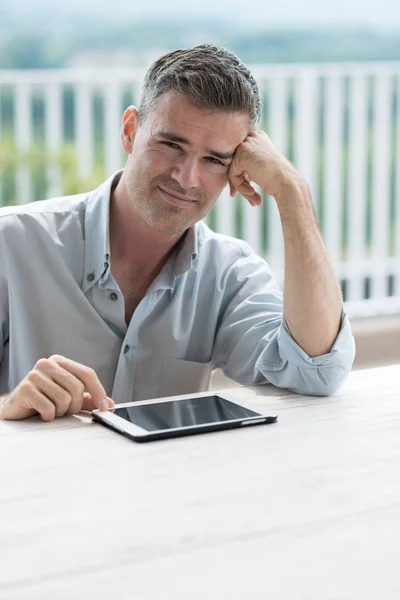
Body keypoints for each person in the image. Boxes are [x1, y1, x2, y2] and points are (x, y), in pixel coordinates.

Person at [0, 45, 355, 422]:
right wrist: (8, 406)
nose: (186, 178)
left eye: (215, 160)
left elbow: (316, 371)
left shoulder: (230, 274)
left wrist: (291, 192)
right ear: (130, 131)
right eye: (171, 145)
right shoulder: (12, 244)